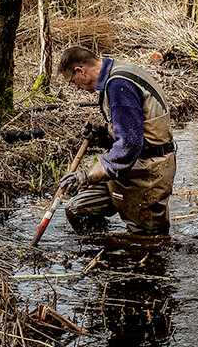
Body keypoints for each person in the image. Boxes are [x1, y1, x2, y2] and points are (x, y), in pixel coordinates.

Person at [58, 46, 176, 234]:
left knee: (147, 238)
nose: (76, 87)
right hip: (128, 166)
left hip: (148, 171)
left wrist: (87, 176)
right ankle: (104, 254)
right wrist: (104, 137)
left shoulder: (118, 85)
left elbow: (129, 144)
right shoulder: (116, 72)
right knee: (77, 210)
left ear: (80, 71)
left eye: (73, 82)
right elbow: (133, 131)